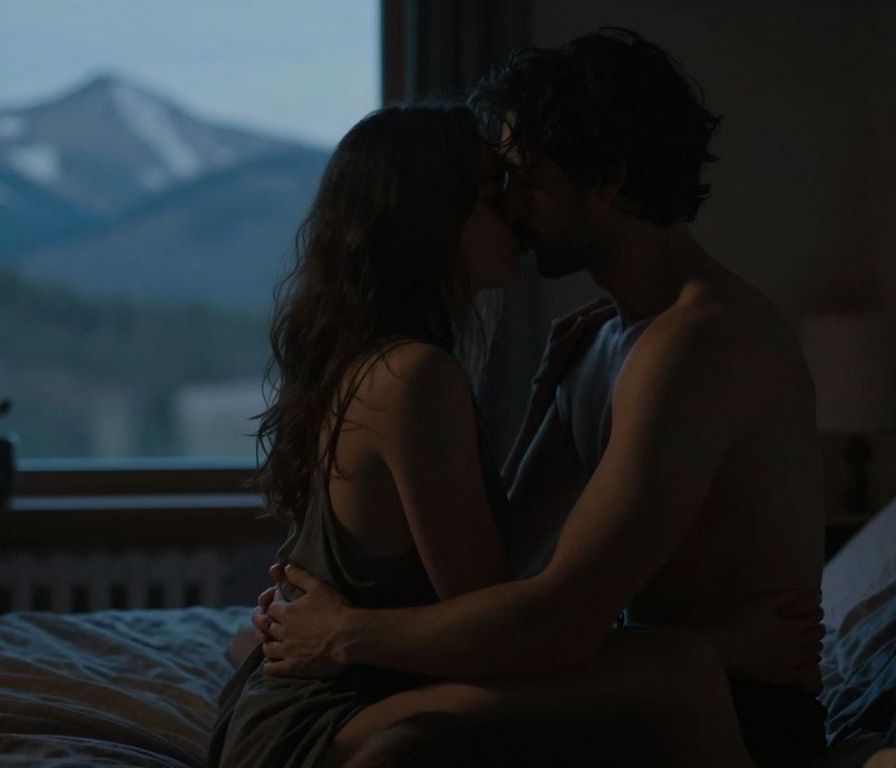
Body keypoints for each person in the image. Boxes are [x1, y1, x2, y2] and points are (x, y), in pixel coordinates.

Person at [252, 29, 829, 768]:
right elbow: (503, 567)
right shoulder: (595, 344)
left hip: (744, 706)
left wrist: (344, 633)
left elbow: (555, 619)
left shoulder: (704, 345)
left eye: (528, 179)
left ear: (613, 182)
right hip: (638, 681)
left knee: (667, 670)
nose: (512, 206)